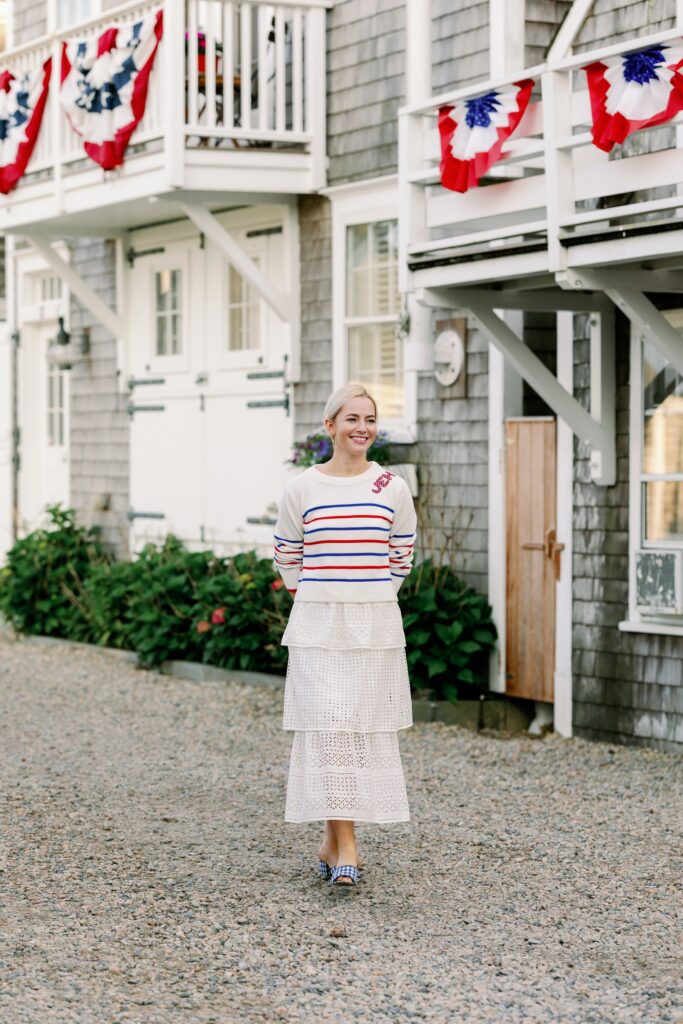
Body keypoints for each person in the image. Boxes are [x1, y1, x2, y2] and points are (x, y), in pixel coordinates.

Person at [272, 382, 417, 889]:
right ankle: (348, 846)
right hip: (317, 626)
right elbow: (287, 556)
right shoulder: (301, 488)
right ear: (330, 425)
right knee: (329, 728)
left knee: (356, 730)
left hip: (373, 626)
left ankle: (333, 842)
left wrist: (370, 594)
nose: (362, 428)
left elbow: (402, 553)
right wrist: (319, 596)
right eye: (351, 418)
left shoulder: (390, 487)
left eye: (370, 419)